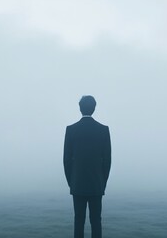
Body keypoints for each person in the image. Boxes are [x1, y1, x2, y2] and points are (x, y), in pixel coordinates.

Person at [63, 95, 111, 238]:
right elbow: (107, 161)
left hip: (77, 184)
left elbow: (66, 161)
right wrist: (103, 182)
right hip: (97, 184)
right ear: (94, 108)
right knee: (96, 221)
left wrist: (71, 182)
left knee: (79, 221)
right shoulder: (103, 130)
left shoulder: (71, 130)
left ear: (80, 108)